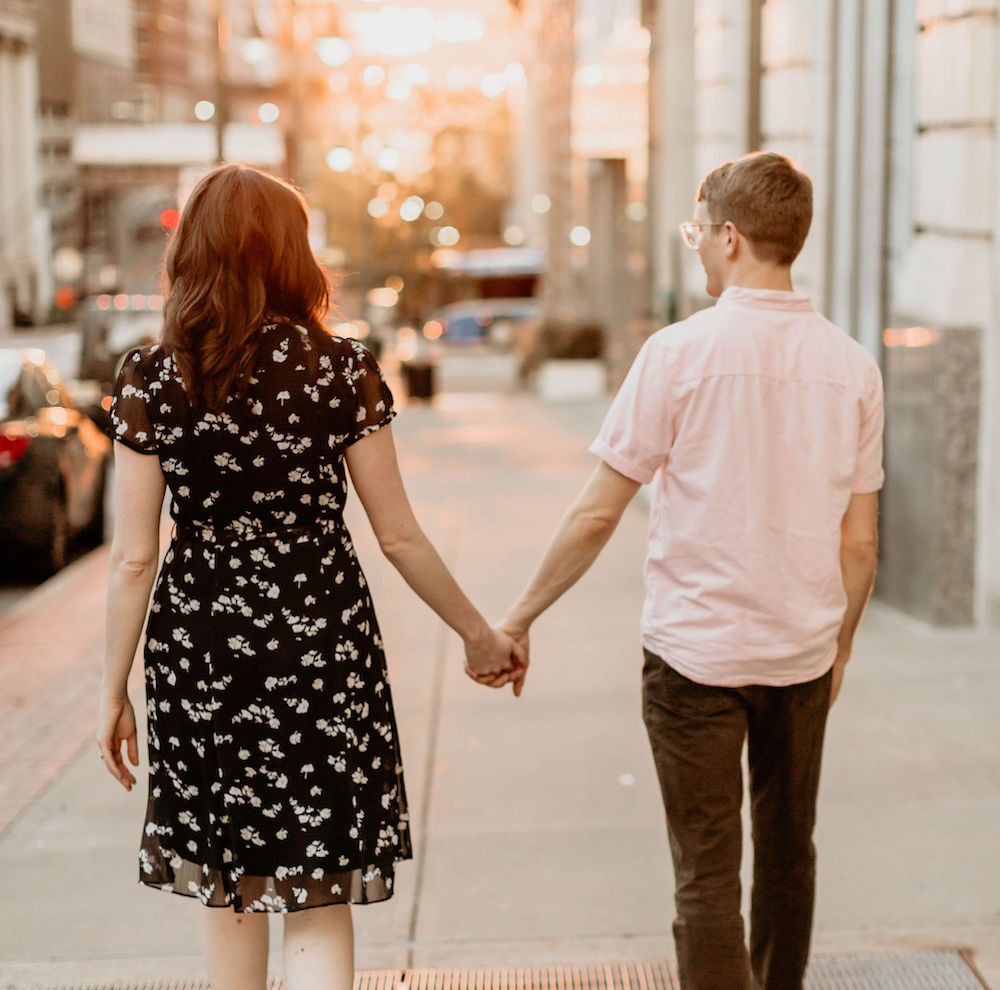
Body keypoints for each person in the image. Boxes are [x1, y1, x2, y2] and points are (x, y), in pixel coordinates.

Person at [95, 163, 525, 990]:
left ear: (192, 251)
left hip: (200, 649)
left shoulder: (152, 377)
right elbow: (398, 535)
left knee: (229, 888)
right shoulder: (339, 369)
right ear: (292, 254)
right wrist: (481, 635)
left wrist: (114, 690)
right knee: (318, 890)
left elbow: (134, 557)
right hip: (322, 643)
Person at [493, 152, 883, 990]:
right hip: (801, 654)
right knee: (788, 855)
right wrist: (839, 647)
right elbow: (860, 545)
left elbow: (598, 511)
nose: (696, 247)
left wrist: (518, 617)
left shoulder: (677, 355)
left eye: (697, 231)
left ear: (730, 237)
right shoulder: (853, 367)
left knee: (706, 874)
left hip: (694, 658)